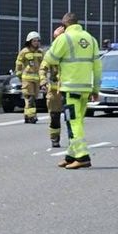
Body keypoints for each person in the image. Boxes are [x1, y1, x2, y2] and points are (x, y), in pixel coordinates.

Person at [42, 12, 100, 169]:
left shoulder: (64, 38)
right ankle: (71, 155)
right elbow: (97, 66)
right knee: (77, 121)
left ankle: (82, 157)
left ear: (64, 25)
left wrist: (56, 38)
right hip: (86, 88)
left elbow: (50, 58)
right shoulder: (91, 39)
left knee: (73, 121)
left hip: (71, 87)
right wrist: (96, 88)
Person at [40, 24, 66, 148]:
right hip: (55, 91)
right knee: (54, 116)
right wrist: (43, 81)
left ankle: (73, 139)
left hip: (69, 89)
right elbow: (43, 68)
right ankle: (55, 139)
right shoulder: (51, 53)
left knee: (72, 117)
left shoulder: (71, 52)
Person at [15, 31, 44, 123]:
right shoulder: (24, 52)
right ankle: (32, 116)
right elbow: (19, 63)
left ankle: (27, 116)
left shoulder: (41, 52)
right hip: (27, 79)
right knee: (29, 98)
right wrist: (19, 74)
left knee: (33, 98)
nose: (36, 43)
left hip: (37, 80)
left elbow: (44, 64)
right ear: (29, 41)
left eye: (37, 41)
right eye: (34, 41)